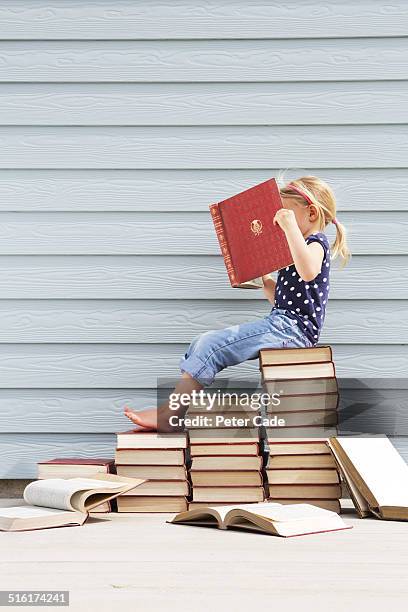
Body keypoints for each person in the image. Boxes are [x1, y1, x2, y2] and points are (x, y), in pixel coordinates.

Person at [124, 175, 351, 431]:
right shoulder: (297, 250)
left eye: (286, 212)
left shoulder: (316, 242)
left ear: (311, 213)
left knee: (210, 344)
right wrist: (264, 278)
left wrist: (288, 228)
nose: (279, 219)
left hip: (291, 329)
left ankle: (170, 414)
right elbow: (282, 300)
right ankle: (171, 411)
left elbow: (308, 271)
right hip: (283, 323)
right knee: (202, 342)